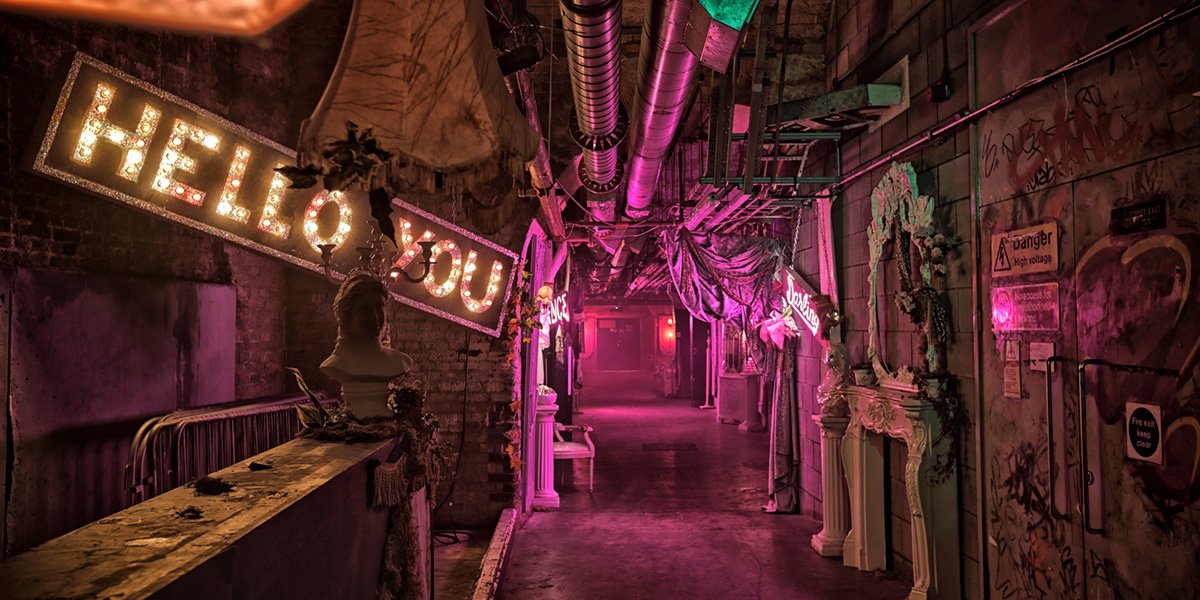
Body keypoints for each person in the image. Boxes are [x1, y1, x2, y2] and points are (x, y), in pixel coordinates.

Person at [321, 272, 414, 418]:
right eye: (364, 309)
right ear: (347, 316)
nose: (374, 316)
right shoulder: (338, 364)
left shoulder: (399, 361)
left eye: (379, 307)